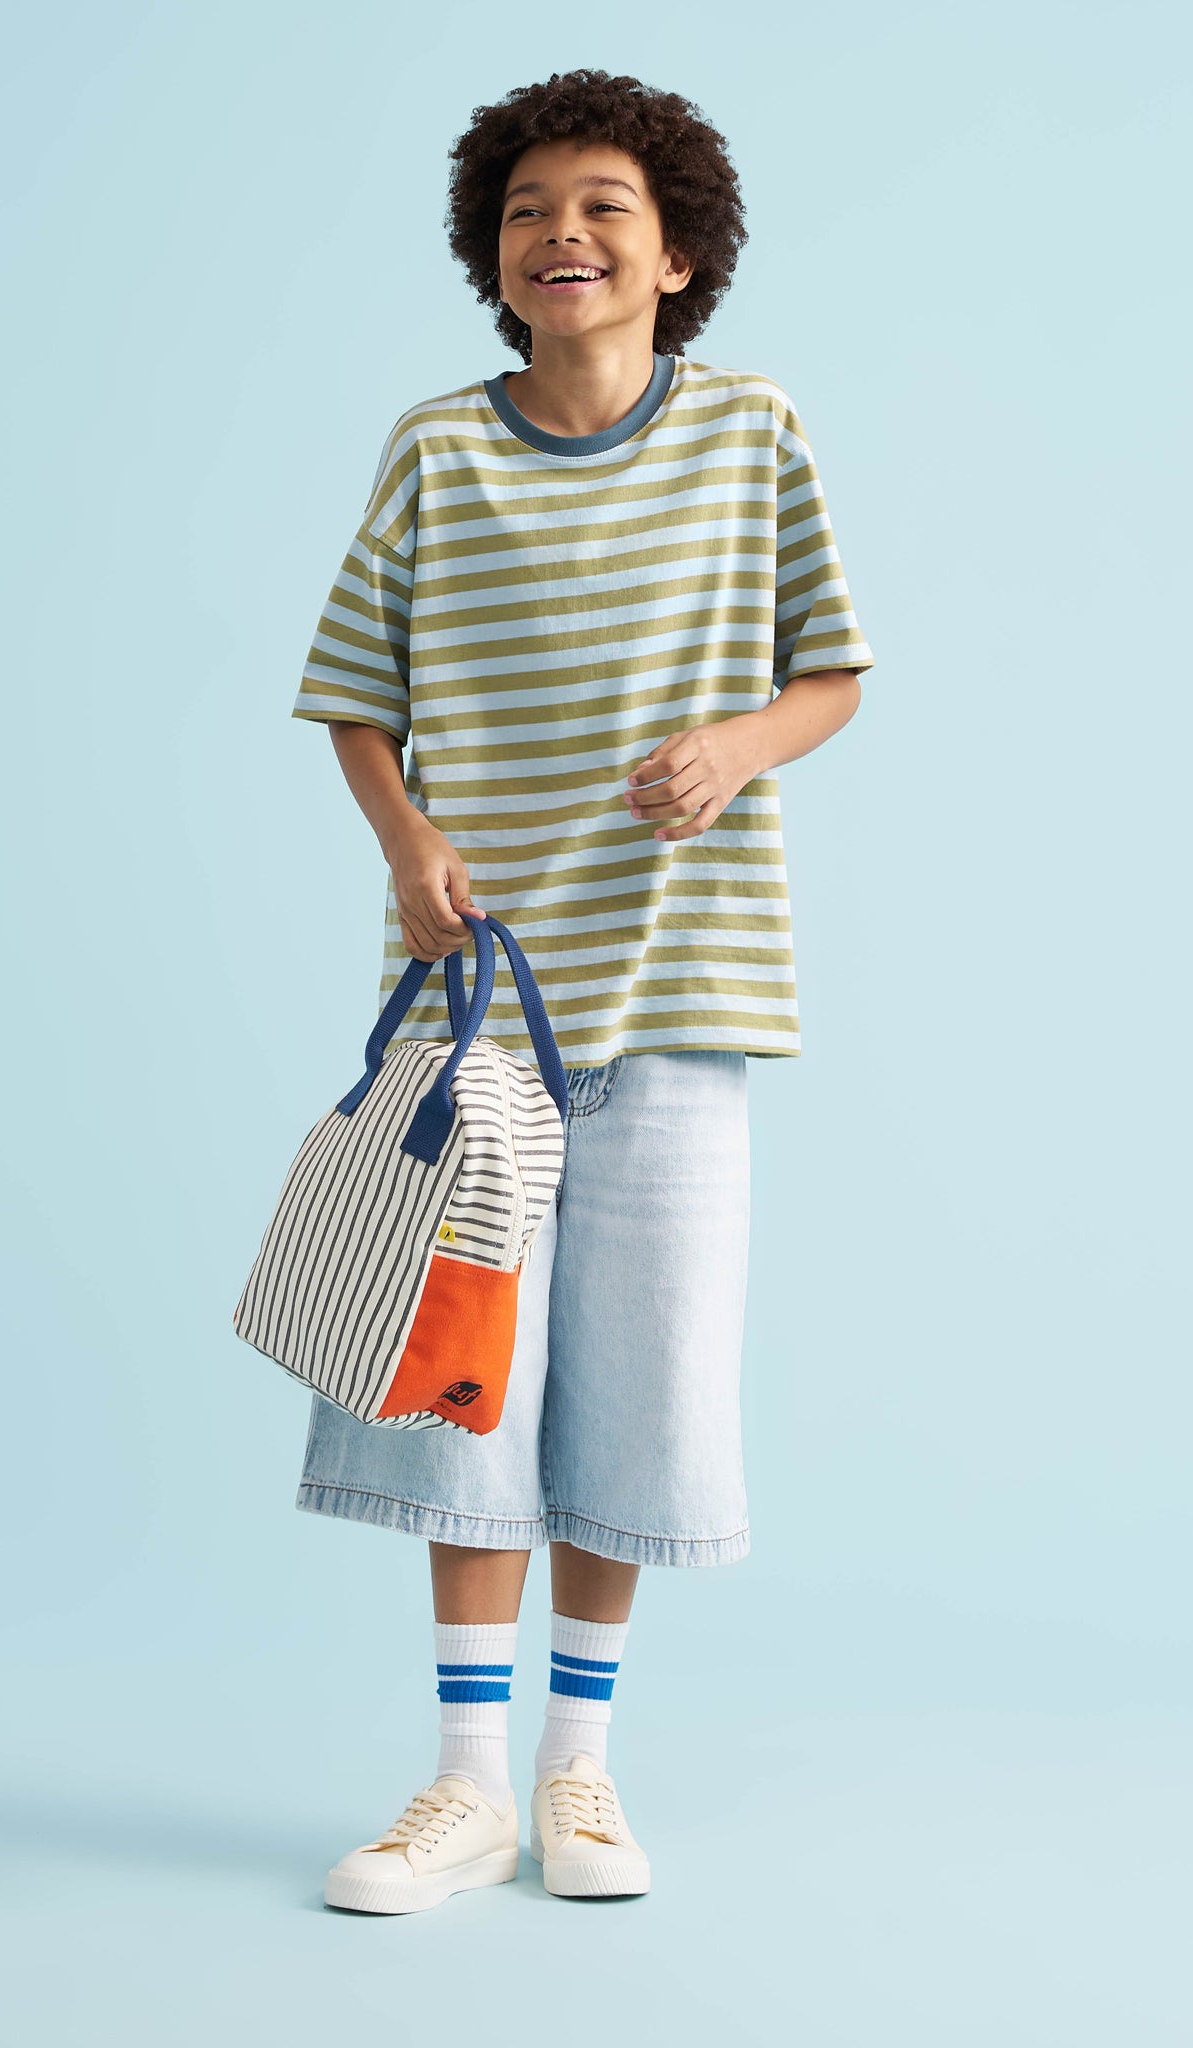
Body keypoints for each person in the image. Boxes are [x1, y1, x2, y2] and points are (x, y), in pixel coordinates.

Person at [288, 68, 874, 1913]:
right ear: (492, 250)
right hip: (479, 1014)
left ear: (676, 251)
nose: (565, 232)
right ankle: (460, 1784)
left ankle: (578, 1776)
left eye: (607, 204)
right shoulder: (433, 450)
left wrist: (736, 745)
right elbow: (354, 695)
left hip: (686, 995)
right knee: (465, 1387)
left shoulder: (756, 431)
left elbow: (832, 670)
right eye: (531, 206)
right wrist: (406, 848)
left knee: (636, 1388)